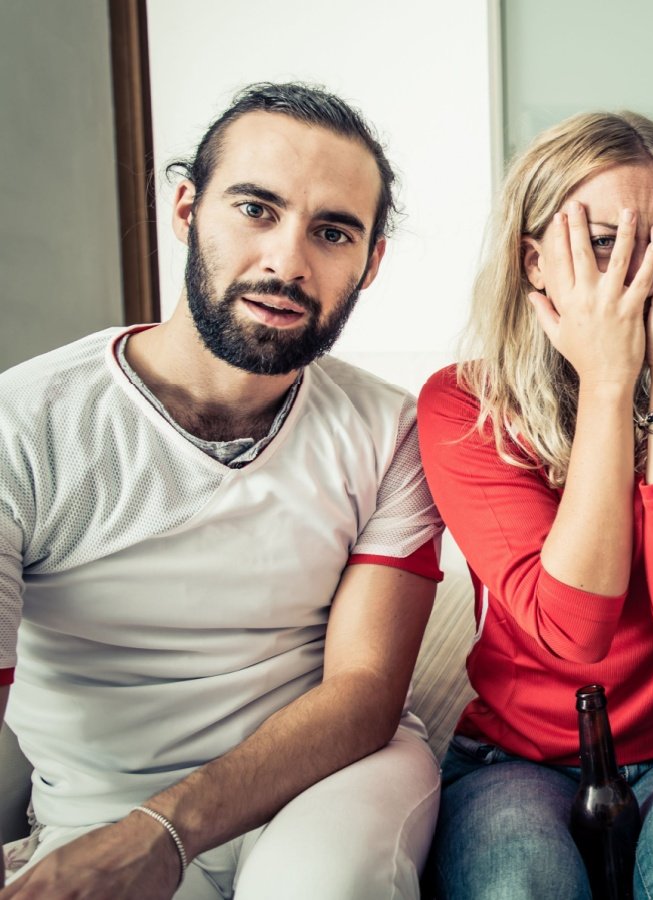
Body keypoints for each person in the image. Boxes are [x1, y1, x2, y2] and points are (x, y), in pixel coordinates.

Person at [0, 83, 444, 899]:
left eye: (333, 231)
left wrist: (167, 831)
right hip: (98, 807)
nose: (287, 262)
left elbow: (363, 693)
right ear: (185, 208)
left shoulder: (392, 430)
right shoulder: (20, 426)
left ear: (370, 263)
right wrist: (129, 837)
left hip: (331, 779)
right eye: (255, 209)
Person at [417, 110, 653, 900]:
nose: (640, 277)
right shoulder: (462, 405)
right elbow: (573, 631)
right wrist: (609, 382)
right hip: (516, 756)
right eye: (604, 243)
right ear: (534, 263)